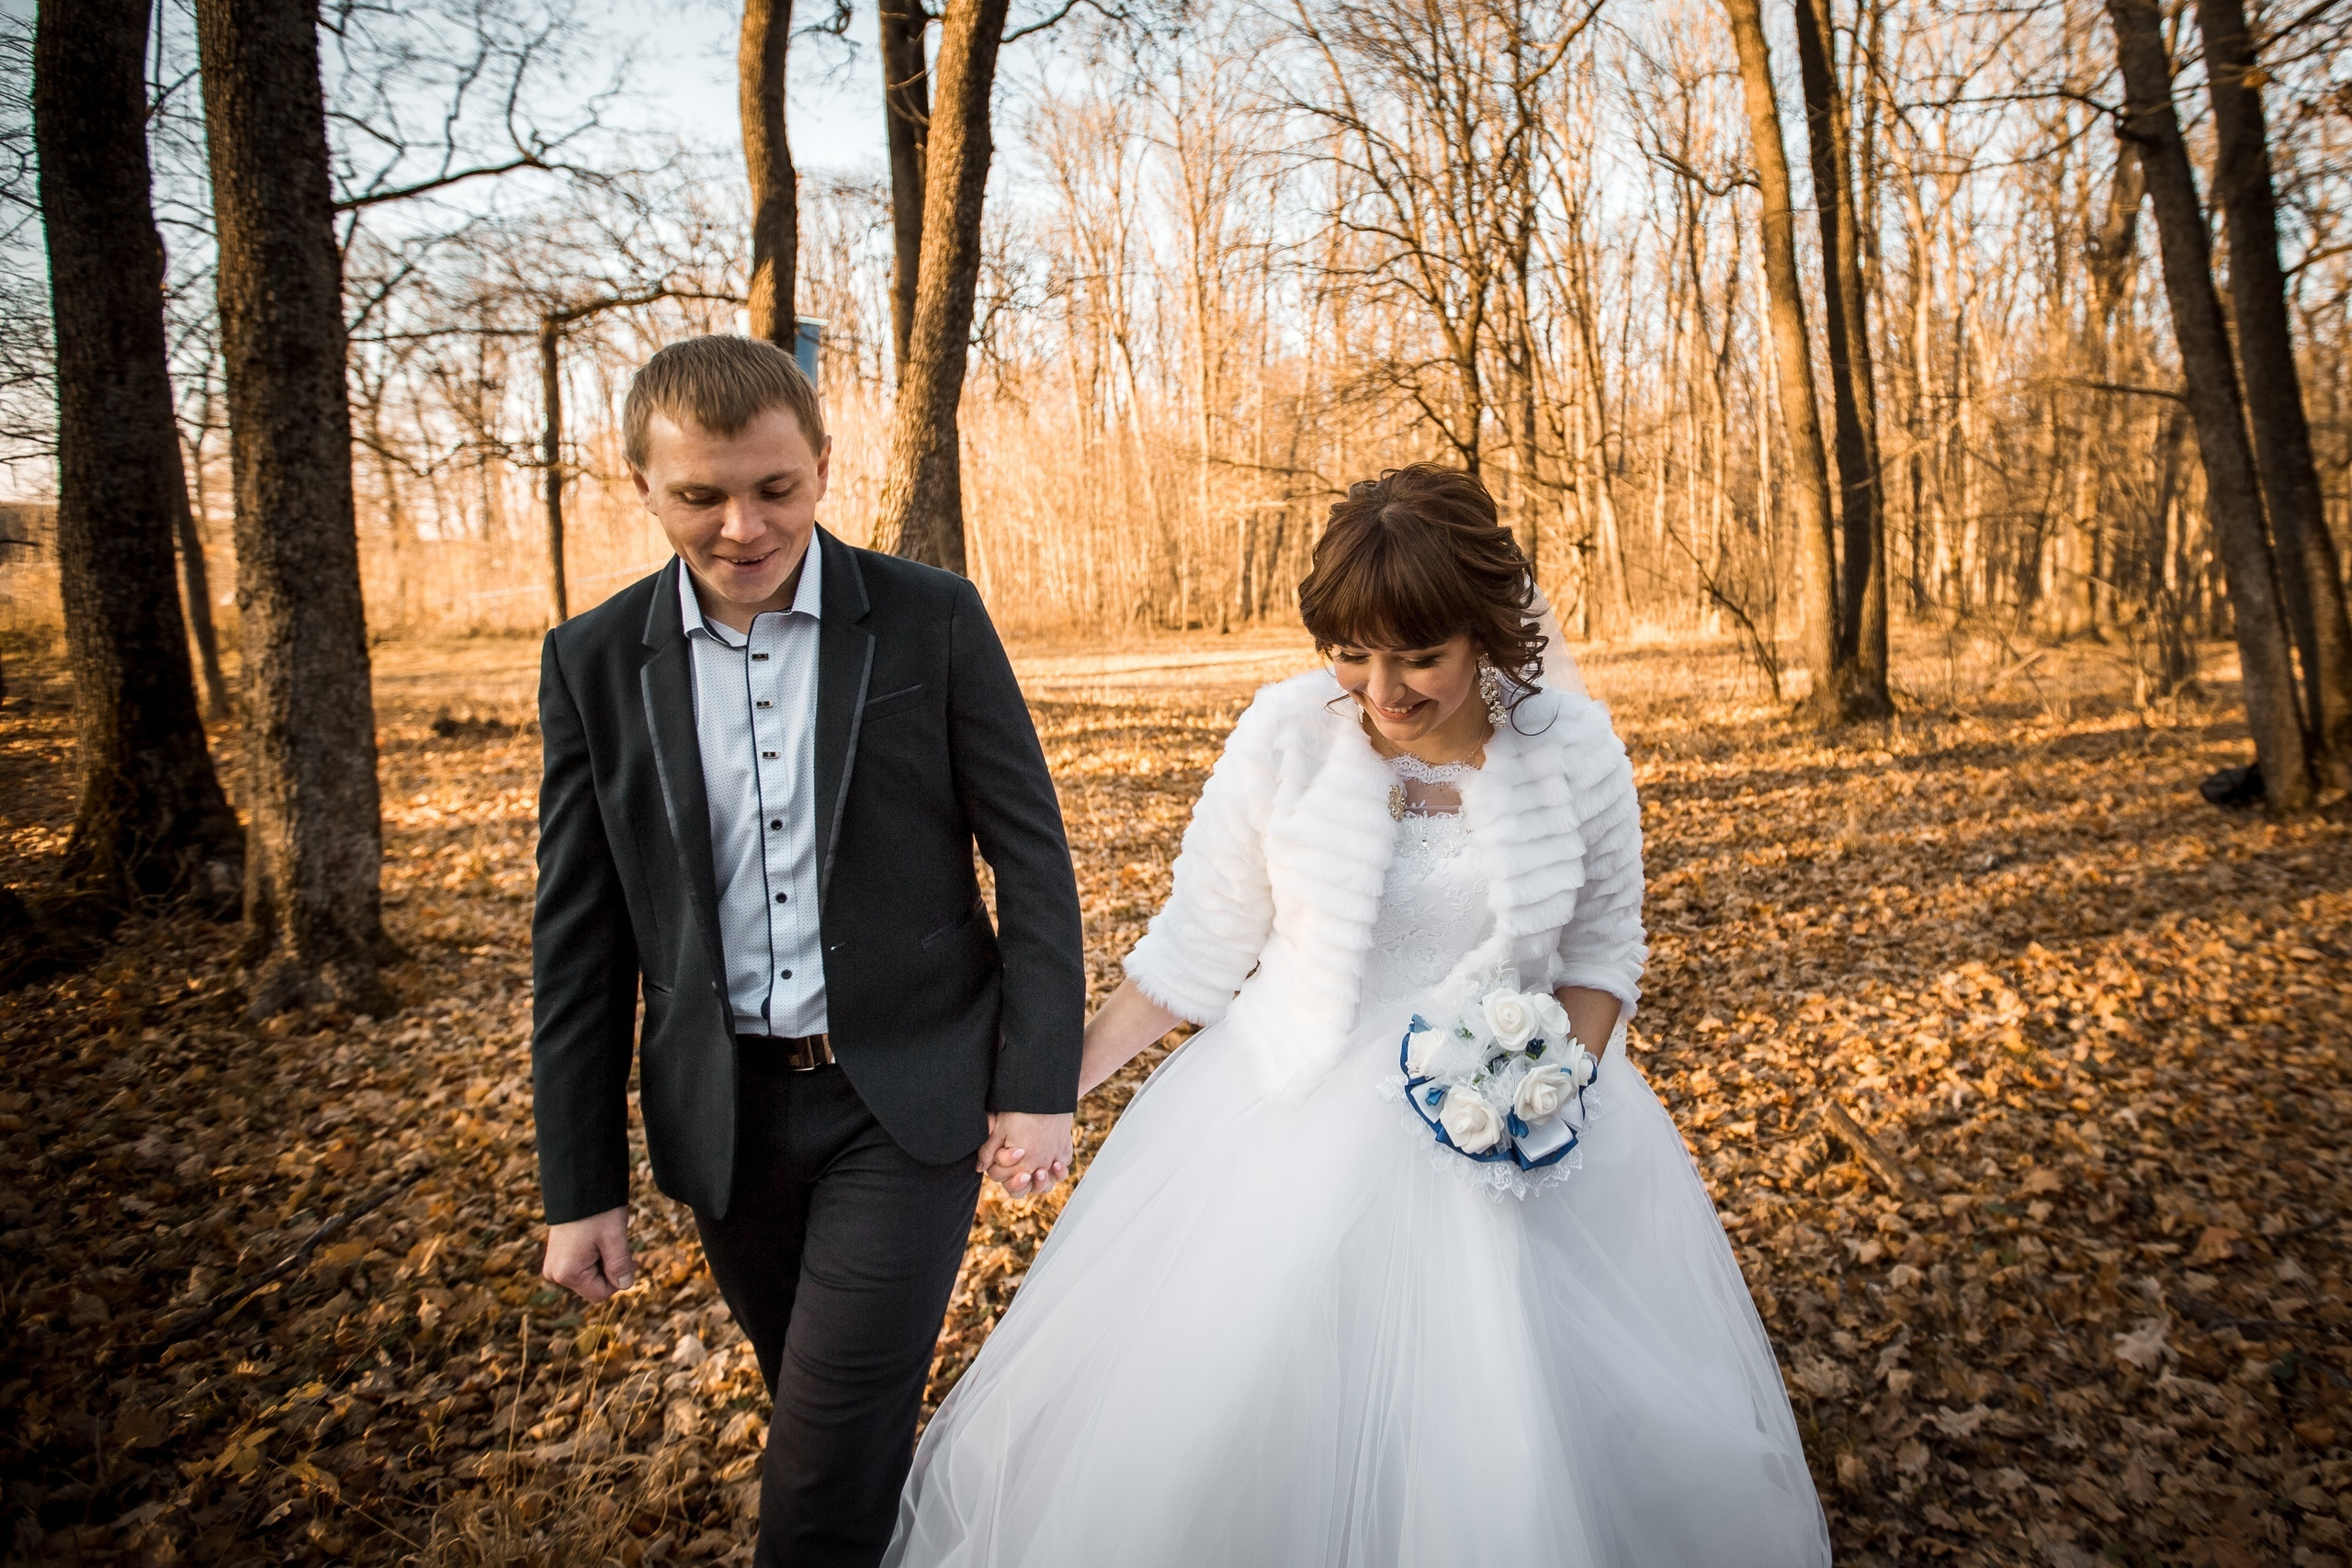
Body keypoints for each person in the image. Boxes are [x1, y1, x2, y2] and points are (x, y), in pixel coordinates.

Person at [886, 465, 1830, 1566]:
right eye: (1351, 652)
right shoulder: (1285, 738)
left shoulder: (1572, 751)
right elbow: (1197, 948)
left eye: (1418, 656)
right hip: (1284, 1114)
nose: (1381, 689)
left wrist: (1544, 1093)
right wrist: (1050, 1092)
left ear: (1484, 630)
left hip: (1514, 1137)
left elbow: (1599, 954)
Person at [530, 334, 1087, 1568]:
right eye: (702, 495)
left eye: (776, 488)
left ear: (824, 468)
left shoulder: (931, 617)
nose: (743, 527)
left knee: (822, 1468)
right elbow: (577, 941)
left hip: (904, 1100)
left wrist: (1037, 1081)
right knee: (826, 1417)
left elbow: (1033, 857)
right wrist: (580, 1184)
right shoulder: (590, 661)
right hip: (722, 1119)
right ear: (642, 485)